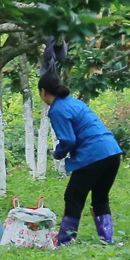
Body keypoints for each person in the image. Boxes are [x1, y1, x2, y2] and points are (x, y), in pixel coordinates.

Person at [40, 71, 122, 245]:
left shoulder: (57, 110)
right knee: (100, 197)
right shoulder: (74, 103)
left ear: (43, 92)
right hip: (112, 151)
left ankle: (65, 242)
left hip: (93, 155)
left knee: (73, 197)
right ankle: (107, 241)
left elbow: (69, 140)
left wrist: (57, 153)